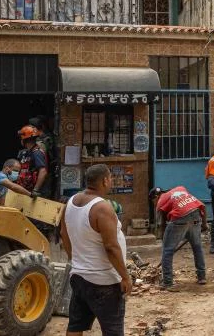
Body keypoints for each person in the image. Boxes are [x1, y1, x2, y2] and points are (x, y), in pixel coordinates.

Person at [60, 164, 130, 336]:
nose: (112, 181)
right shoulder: (102, 207)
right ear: (105, 180)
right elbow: (111, 247)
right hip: (103, 281)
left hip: (79, 277)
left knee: (76, 325)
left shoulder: (70, 202)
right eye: (111, 178)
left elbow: (64, 233)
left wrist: (74, 259)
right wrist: (125, 276)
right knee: (113, 330)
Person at [151, 186, 207, 290]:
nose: (154, 203)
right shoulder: (181, 189)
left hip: (180, 217)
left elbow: (162, 223)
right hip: (196, 216)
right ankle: (202, 277)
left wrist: (165, 240)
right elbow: (202, 205)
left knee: (167, 250)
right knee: (197, 247)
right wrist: (204, 224)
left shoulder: (161, 200)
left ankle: (167, 282)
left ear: (155, 197)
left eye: (153, 201)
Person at [16, 125, 48, 196]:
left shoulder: (37, 153)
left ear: (24, 139)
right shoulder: (27, 152)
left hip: (32, 191)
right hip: (26, 188)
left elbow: (43, 171)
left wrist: (35, 190)